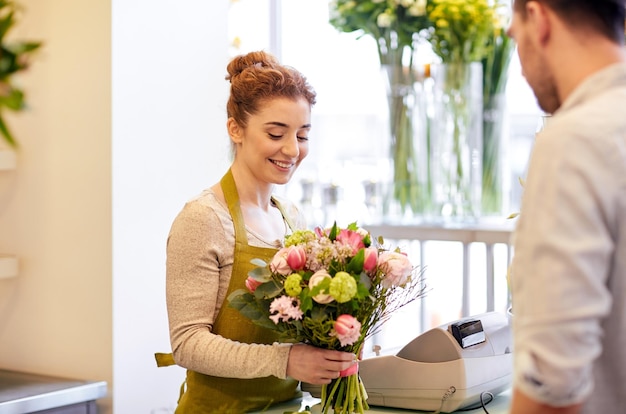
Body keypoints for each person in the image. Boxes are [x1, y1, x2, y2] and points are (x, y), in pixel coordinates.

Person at [155, 50, 356, 413]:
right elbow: (188, 343)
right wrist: (285, 361)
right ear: (236, 129)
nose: (293, 149)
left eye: (303, 134)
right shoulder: (203, 220)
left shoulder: (291, 217)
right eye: (276, 133)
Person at [506, 1, 626, 413]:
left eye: (514, 38)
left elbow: (553, 382)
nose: (520, 66)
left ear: (538, 20)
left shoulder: (574, 139)